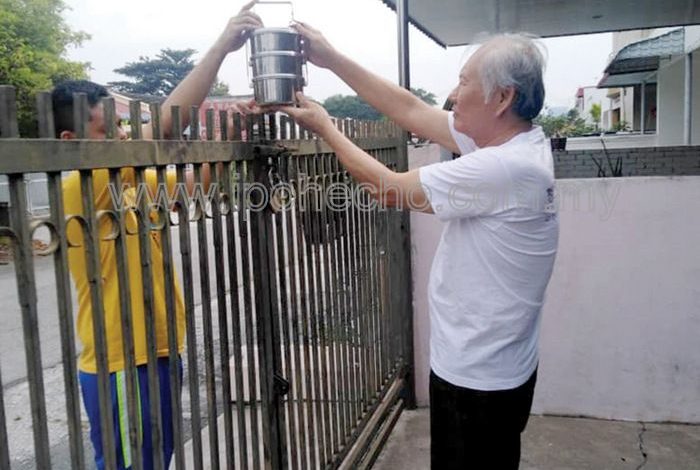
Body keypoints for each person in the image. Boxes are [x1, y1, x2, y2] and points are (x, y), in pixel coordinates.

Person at [278, 25, 559, 470]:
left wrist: (324, 127)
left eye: (464, 82)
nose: (452, 95)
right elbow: (410, 110)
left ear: (502, 98)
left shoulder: (505, 167)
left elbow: (388, 189)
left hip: (478, 378)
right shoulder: (518, 142)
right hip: (495, 366)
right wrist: (330, 58)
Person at [53, 3, 262, 469]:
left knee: (155, 458)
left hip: (160, 351)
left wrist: (229, 133)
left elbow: (193, 186)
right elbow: (166, 127)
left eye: (121, 126)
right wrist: (220, 48)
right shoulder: (78, 188)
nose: (124, 136)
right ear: (70, 142)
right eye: (109, 129)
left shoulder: (124, 185)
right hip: (121, 361)